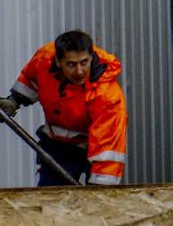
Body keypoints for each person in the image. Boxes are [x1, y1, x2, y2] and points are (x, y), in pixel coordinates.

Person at [0, 30, 127, 186]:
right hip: (57, 146)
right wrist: (15, 100)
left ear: (92, 57)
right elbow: (31, 79)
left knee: (97, 201)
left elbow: (107, 150)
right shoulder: (44, 59)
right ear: (58, 61)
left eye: (84, 62)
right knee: (51, 200)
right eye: (72, 64)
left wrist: (99, 191)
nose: (79, 71)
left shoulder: (106, 96)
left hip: (92, 150)